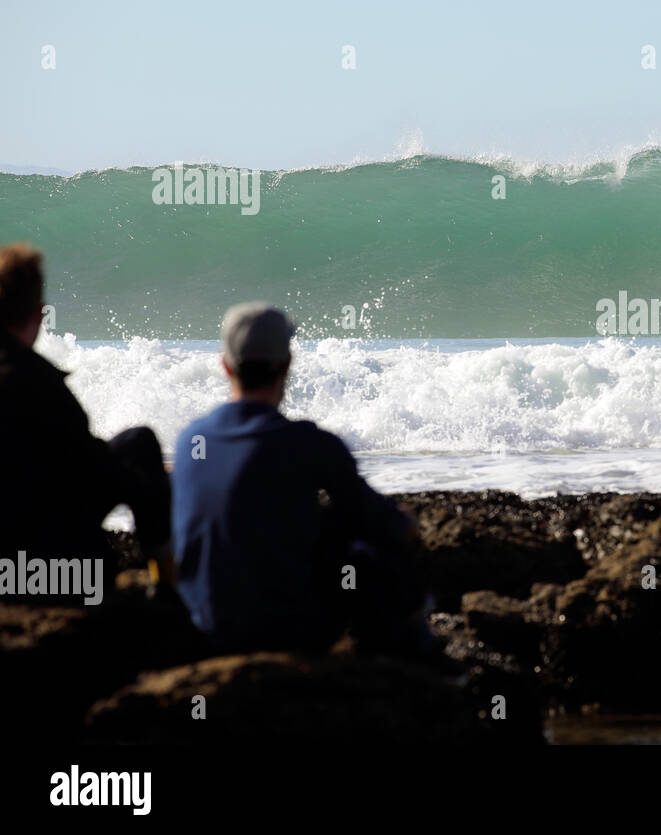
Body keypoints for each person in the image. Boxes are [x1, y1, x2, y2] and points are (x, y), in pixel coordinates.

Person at [171, 302, 437, 659]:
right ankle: (421, 662)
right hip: (288, 631)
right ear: (287, 364)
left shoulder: (190, 441)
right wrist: (406, 525)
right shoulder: (309, 444)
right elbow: (385, 525)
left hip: (204, 624)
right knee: (363, 548)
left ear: (224, 365)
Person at [0, 243, 171, 590]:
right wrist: (147, 477)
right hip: (47, 564)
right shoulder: (38, 381)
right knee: (138, 444)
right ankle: (167, 580)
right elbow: (90, 469)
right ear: (39, 313)